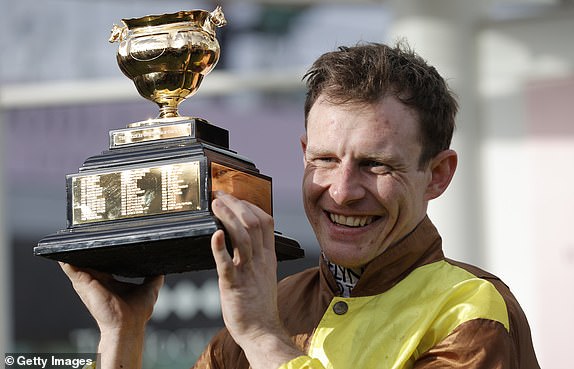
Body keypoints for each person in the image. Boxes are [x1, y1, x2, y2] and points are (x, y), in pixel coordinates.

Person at [61, 42, 541, 369]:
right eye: (325, 159)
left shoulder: (469, 310)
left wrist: (267, 340)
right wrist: (122, 335)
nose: (341, 189)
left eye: (375, 164)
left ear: (437, 174)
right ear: (303, 155)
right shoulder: (275, 305)